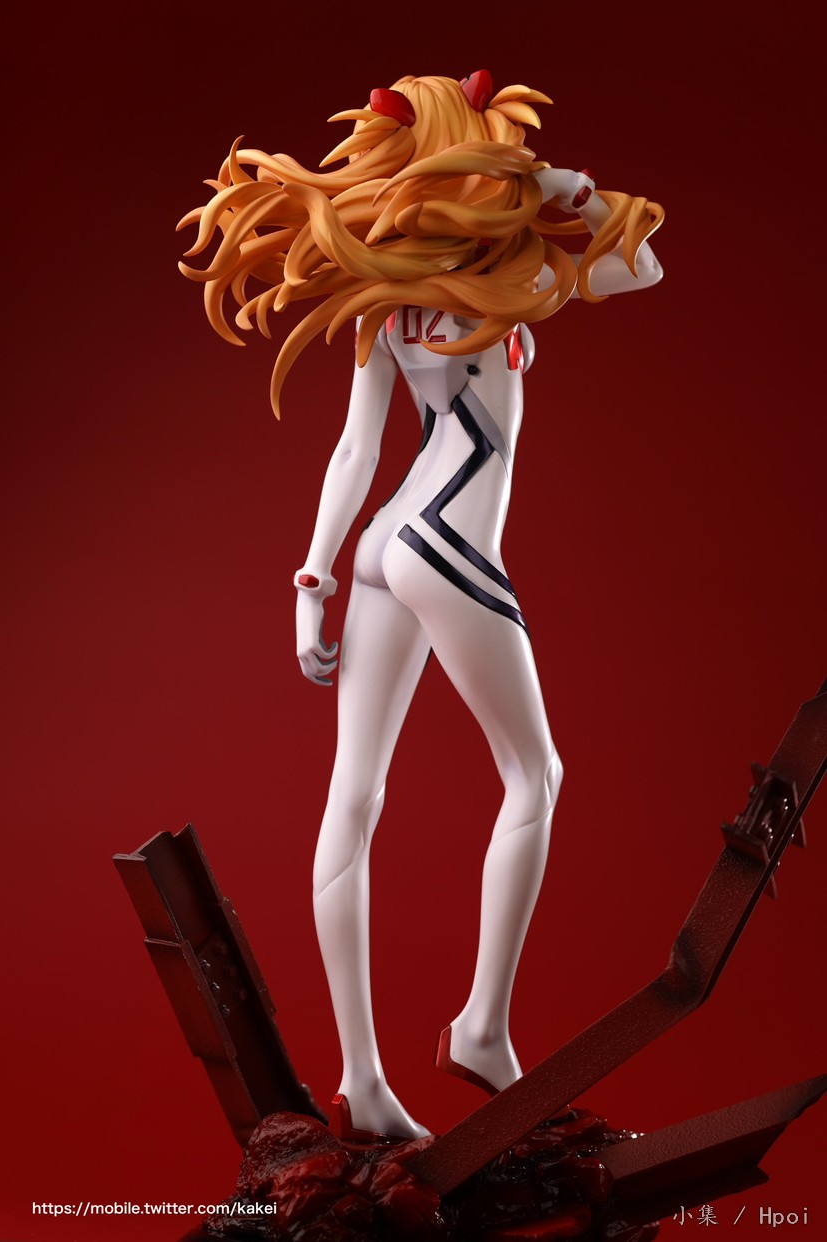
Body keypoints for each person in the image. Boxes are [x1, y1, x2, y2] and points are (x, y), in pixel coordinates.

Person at [179, 71, 664, 1141]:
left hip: (384, 542)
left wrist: (313, 582)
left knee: (352, 801)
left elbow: (355, 453)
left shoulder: (389, 299)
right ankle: (482, 1028)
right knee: (535, 776)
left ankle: (362, 1081)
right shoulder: (509, 275)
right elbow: (643, 259)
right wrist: (560, 185)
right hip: (447, 542)